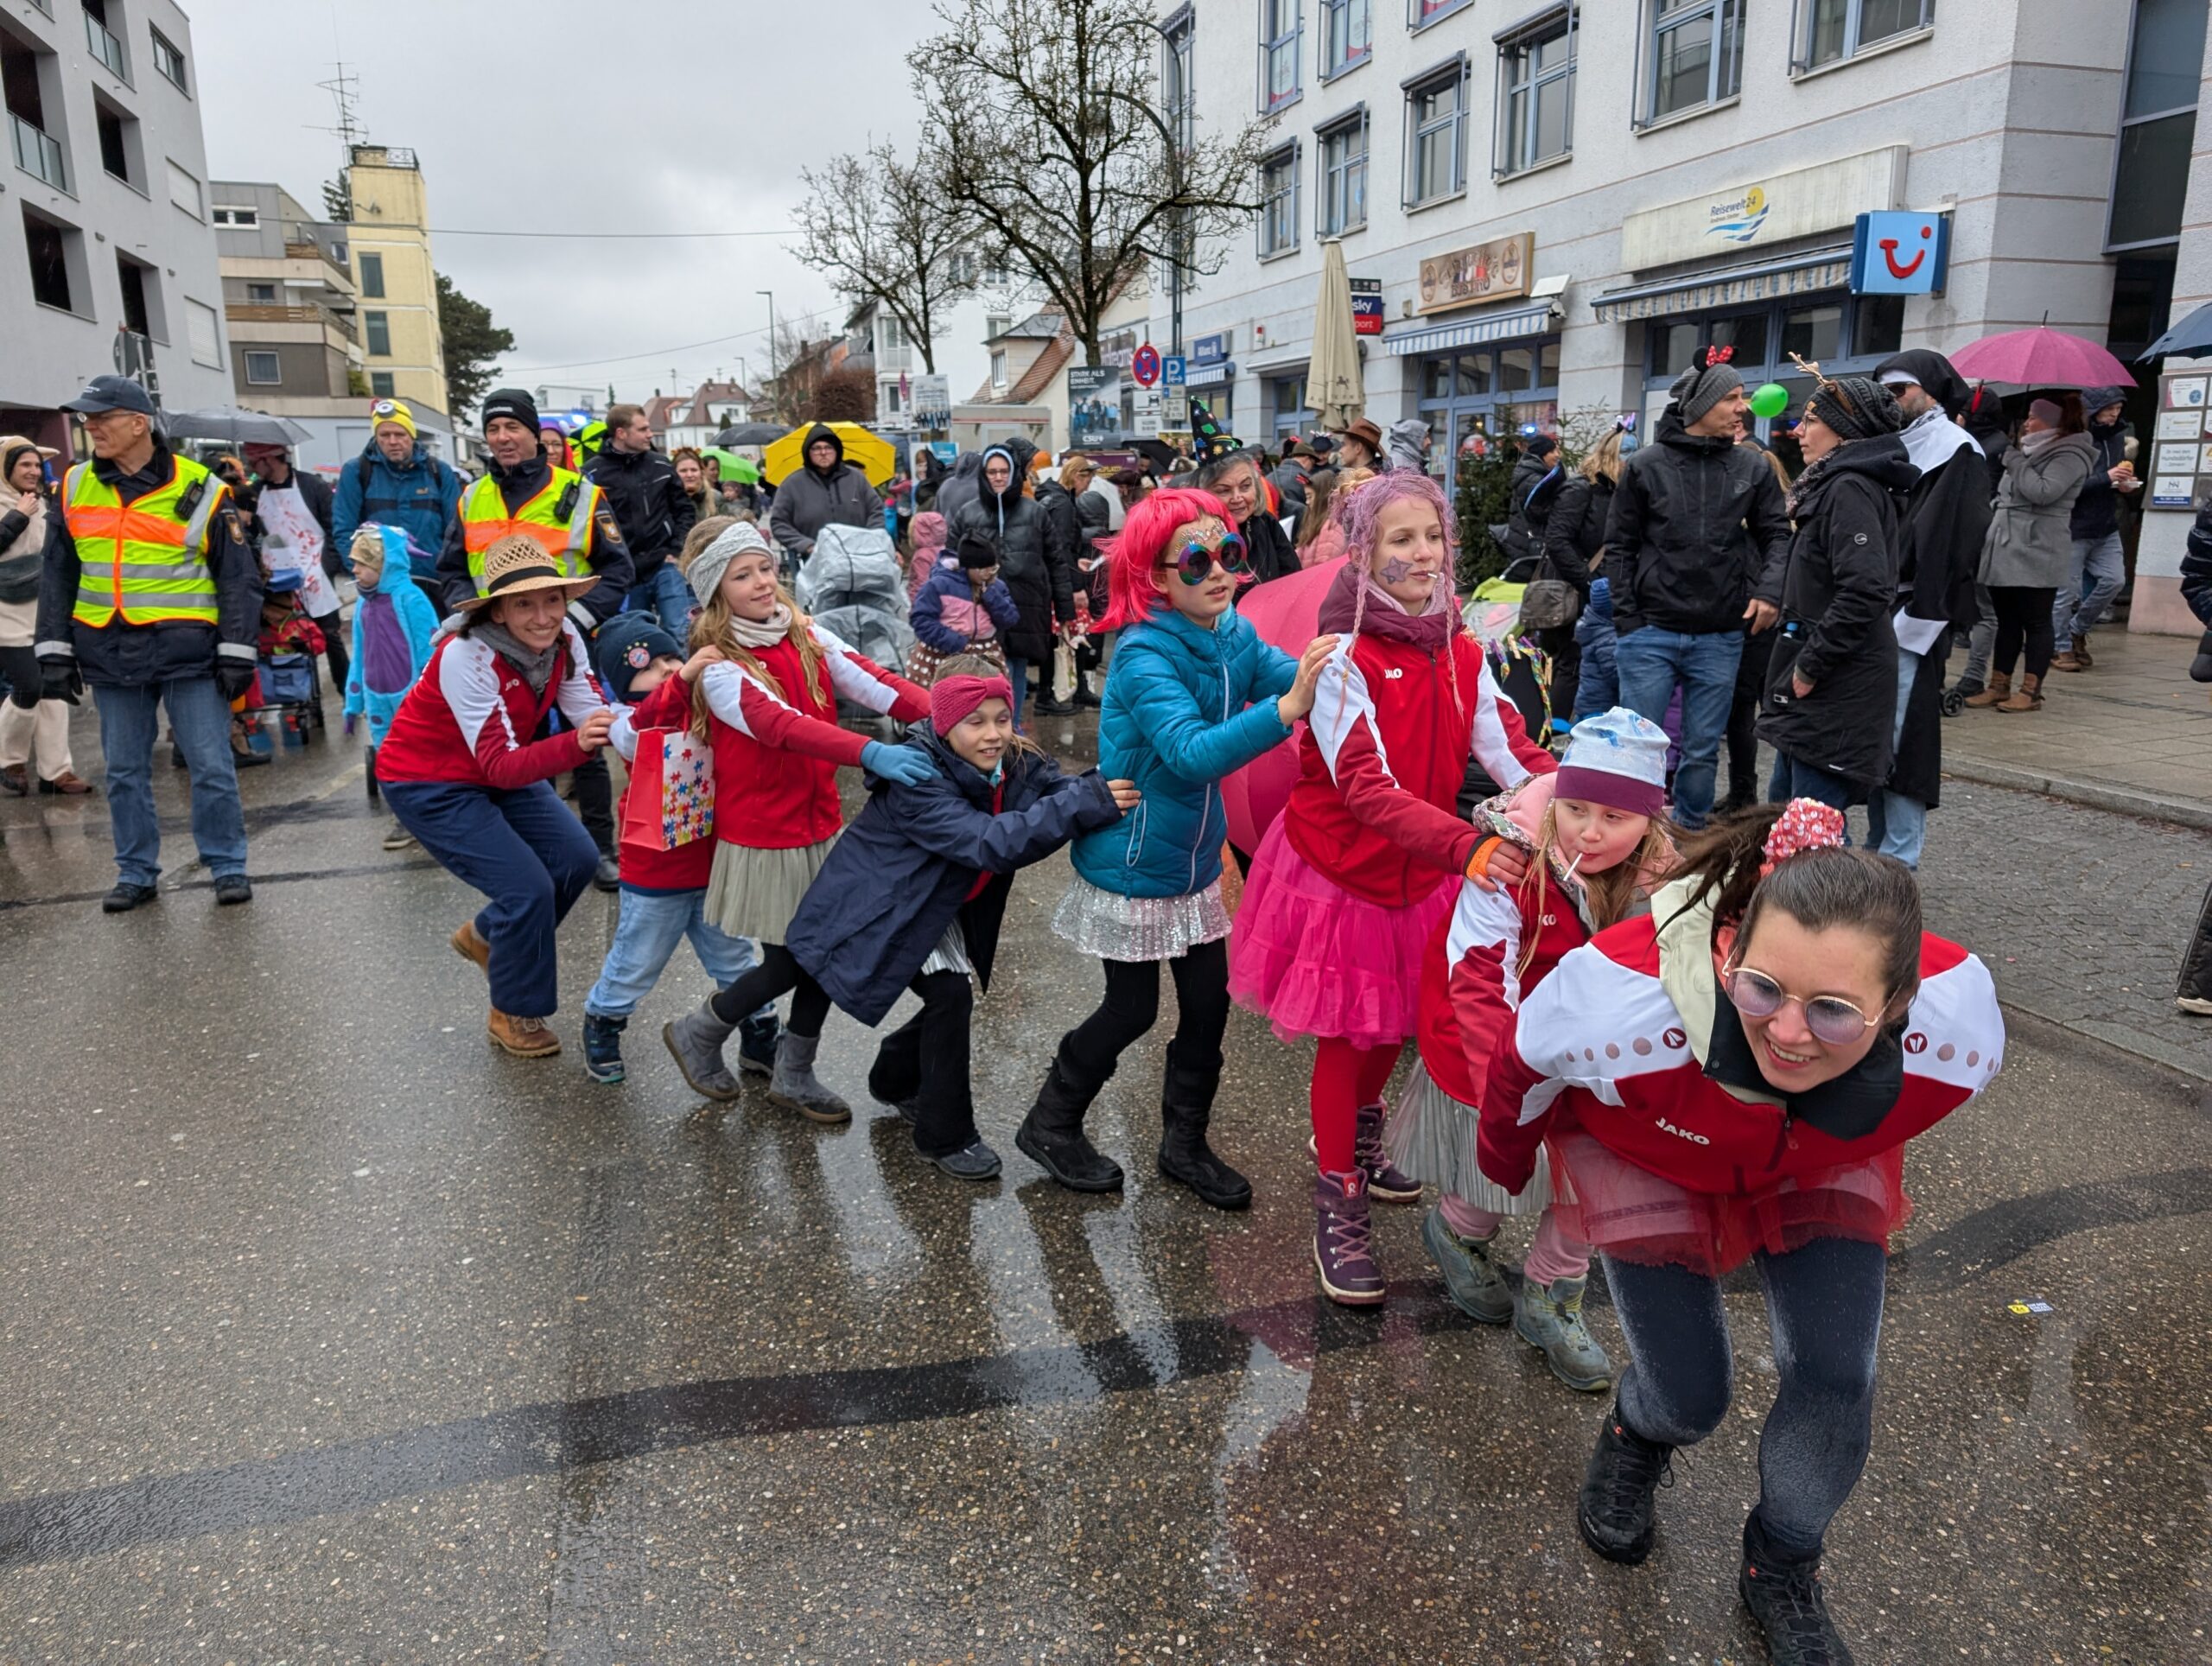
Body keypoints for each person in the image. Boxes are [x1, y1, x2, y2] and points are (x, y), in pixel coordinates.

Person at [1479, 800, 2005, 1666]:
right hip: (1653, 1154)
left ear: (1901, 1003)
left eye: (1834, 1010)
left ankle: (1783, 1560)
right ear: (1729, 947)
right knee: (1691, 1392)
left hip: (1816, 1158)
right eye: (1762, 989)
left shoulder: (1958, 1025)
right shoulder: (1617, 995)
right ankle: (1637, 1433)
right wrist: (1503, 1166)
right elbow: (1518, 1068)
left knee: (1838, 1372)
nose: (1788, 1034)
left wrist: (1815, 1136)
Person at [1226, 472, 1557, 1304]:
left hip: (1426, 873)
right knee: (1351, 1035)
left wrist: (1589, 809)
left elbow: (1513, 755)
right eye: (1397, 540)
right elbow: (1365, 789)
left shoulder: (1463, 647)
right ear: (1364, 554)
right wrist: (1466, 846)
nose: (1420, 554)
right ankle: (1336, 1190)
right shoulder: (1340, 659)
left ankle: (1364, 1138)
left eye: (1432, 537)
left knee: (1395, 1022)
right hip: (1345, 871)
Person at [1018, 488, 1337, 1202]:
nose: (1219, 570)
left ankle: (1183, 1144)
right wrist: (1287, 711)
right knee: (1130, 1011)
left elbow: (1291, 677)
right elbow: (1192, 753)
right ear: (1155, 577)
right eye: (1197, 560)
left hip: (1193, 860)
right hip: (1132, 860)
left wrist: (1342, 669)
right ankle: (1051, 1122)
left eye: (1228, 552)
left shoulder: (1231, 631)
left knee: (1209, 1007)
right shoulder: (1141, 654)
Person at [1389, 709, 1672, 1388]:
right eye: (1575, 808)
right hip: (1496, 1040)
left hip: (1597, 1050)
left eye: (1615, 817)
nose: (1592, 831)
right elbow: (1482, 976)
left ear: (1650, 824)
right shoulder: (1507, 868)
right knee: (1506, 1164)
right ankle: (1461, 1230)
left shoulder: (1659, 882)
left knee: (1590, 1178)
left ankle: (1552, 1297)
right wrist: (1510, 1082)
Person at [785, 660, 1134, 1179]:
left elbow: (1053, 786)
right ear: (945, 725)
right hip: (888, 905)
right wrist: (1084, 804)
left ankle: (896, 1075)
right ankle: (944, 1136)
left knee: (948, 997)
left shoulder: (1011, 757)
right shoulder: (918, 776)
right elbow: (986, 842)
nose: (993, 734)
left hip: (937, 897)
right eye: (976, 722)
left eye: (1002, 718)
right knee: (950, 996)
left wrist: (1090, 792)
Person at [657, 522, 931, 1119]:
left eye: (763, 568)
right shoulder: (720, 665)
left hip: (820, 821)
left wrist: (954, 717)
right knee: (802, 954)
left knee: (819, 949)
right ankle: (705, 1030)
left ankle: (788, 1067)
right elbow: (777, 724)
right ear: (715, 591)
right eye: (742, 575)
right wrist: (869, 752)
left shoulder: (804, 630)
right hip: (767, 833)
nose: (761, 583)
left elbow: (872, 679)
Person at [373, 536, 617, 1056]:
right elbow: (504, 766)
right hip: (428, 780)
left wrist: (650, 729)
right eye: (523, 603)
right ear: (498, 612)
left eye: (552, 599)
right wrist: (574, 745)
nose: (543, 615)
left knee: (576, 858)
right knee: (527, 889)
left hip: (497, 766)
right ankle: (513, 1010)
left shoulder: (566, 637)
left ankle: (487, 936)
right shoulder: (466, 655)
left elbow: (590, 708)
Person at [35, 376, 257, 912]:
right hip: (108, 650)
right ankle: (136, 871)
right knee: (124, 771)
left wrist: (237, 650)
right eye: (86, 420)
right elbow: (58, 573)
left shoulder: (202, 487)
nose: (90, 428)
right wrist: (54, 649)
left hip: (188, 651)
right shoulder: (73, 485)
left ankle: (227, 865)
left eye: (100, 418)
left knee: (209, 765)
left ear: (138, 423)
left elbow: (237, 577)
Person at [438, 387, 635, 892]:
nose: (503, 438)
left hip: (560, 638)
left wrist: (571, 620)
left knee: (583, 741)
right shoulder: (471, 496)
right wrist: (466, 618)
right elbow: (453, 571)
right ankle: (537, 846)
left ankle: (599, 851)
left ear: (533, 434)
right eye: (493, 429)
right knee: (518, 743)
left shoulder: (580, 494)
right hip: (492, 646)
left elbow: (618, 570)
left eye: (513, 428)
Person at [579, 615, 777, 1088]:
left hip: (712, 863)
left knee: (735, 959)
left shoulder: (703, 705)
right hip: (656, 873)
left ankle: (762, 1033)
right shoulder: (624, 719)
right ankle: (603, 1021)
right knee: (636, 961)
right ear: (626, 684)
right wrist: (685, 680)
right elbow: (644, 729)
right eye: (653, 666)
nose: (670, 669)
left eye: (674, 658)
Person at [1605, 345, 1792, 830]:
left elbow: (1777, 534)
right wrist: (1629, 619)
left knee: (1703, 748)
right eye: (1731, 397)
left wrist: (1770, 591)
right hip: (1650, 633)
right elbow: (1619, 546)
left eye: (1742, 397)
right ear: (1702, 404)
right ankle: (1633, 835)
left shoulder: (1751, 468)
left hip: (1721, 634)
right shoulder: (1646, 465)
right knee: (1637, 745)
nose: (1742, 407)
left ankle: (1688, 839)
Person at [1757, 367, 1916, 815]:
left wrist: (1810, 666)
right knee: (1785, 823)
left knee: (1812, 835)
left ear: (1845, 430)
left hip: (1839, 684)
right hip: (1821, 681)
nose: (1797, 431)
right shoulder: (1834, 484)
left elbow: (1866, 589)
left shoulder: (1848, 487)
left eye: (1811, 421)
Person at [1866, 350, 1993, 868]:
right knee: (1874, 740)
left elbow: (1953, 546)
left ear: (1931, 391)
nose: (1891, 402)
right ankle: (1878, 857)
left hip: (1914, 616)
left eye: (1899, 391)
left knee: (1902, 738)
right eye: (1884, 394)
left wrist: (1919, 620)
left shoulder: (1956, 450)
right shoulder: (1889, 446)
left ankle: (1897, 860)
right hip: (1876, 612)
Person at [1966, 396, 2095, 714]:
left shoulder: (2071, 453)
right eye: (2027, 416)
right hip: (2008, 542)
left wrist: (2014, 461)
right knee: (2008, 620)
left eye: (2034, 417)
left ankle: (2031, 691)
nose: (2026, 422)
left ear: (2054, 422)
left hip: (2040, 545)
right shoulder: (2029, 449)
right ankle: (1999, 685)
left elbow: (2043, 491)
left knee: (2036, 620)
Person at [948, 441, 1077, 720]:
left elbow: (1056, 561)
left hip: (1026, 605)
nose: (998, 477)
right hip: (979, 607)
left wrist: (1066, 610)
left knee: (1017, 667)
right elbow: (949, 561)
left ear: (1013, 473)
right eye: (992, 471)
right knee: (984, 669)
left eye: (1003, 471)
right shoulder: (968, 513)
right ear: (983, 475)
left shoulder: (1035, 513)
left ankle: (1013, 726)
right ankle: (985, 727)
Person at [340, 525, 438, 852]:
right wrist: (353, 701)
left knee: (421, 756)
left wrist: (431, 694)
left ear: (386, 564)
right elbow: (359, 654)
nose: (354, 570)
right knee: (390, 759)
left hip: (411, 696)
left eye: (362, 562)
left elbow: (430, 650)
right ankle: (406, 815)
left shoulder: (411, 598)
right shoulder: (363, 606)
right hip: (377, 697)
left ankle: (428, 815)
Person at [0, 435, 88, 795]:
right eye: (25, 465)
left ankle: (56, 772)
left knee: (54, 683)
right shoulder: (14, 504)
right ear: (6, 468)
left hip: (44, 605)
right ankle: (8, 758)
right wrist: (17, 517)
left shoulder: (47, 500)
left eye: (37, 465)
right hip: (5, 610)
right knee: (29, 684)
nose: (34, 471)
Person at [331, 397, 462, 610]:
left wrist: (452, 577)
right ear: (376, 437)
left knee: (436, 642)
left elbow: (457, 530)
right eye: (384, 435)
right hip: (381, 588)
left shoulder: (439, 472)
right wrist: (363, 573)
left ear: (411, 435)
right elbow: (344, 529)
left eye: (400, 434)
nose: (392, 441)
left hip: (434, 585)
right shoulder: (357, 472)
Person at [240, 442, 348, 703]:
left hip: (315, 576)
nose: (253, 469)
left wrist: (326, 566)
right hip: (276, 580)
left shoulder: (313, 486)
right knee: (284, 640)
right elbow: (246, 534)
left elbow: (335, 528)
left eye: (256, 462)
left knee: (330, 637)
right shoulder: (254, 493)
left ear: (271, 458)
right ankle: (298, 696)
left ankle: (348, 695)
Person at [1537, 427, 1624, 727]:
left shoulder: (1620, 493)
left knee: (1587, 670)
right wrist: (1589, 584)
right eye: (1628, 456)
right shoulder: (1580, 490)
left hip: (1600, 597)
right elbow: (1557, 540)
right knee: (1570, 666)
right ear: (1613, 457)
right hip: (1573, 594)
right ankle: (1552, 740)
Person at [2050, 386, 2139, 672]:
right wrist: (2106, 478)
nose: (2116, 414)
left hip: (2105, 524)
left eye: (2119, 408)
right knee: (2067, 592)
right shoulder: (2072, 440)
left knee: (2114, 581)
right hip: (2074, 526)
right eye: (2110, 408)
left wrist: (2123, 486)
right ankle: (2060, 647)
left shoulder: (2116, 437)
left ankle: (2078, 630)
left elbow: (2108, 480)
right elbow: (2067, 485)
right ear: (2093, 410)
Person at [587, 403, 696, 634]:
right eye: (643, 429)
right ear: (621, 433)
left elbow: (684, 510)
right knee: (634, 635)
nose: (650, 434)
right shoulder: (592, 473)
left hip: (665, 564)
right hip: (623, 572)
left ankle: (685, 672)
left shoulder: (661, 465)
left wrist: (677, 550)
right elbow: (587, 524)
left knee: (680, 630)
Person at [909, 531, 1017, 683]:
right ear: (967, 567)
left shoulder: (996, 586)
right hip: (943, 656)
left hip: (986, 653)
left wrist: (991, 596)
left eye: (992, 568)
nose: (988, 574)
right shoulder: (939, 586)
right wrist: (956, 642)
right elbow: (921, 621)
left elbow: (1010, 619)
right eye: (982, 569)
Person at [768, 423, 883, 560]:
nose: (823, 453)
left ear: (837, 450)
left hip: (858, 557)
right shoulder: (792, 484)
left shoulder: (857, 478)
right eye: (816, 449)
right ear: (807, 452)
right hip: (813, 561)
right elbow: (779, 523)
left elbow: (876, 512)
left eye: (828, 447)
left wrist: (868, 539)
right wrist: (806, 546)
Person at [1195, 451, 1300, 584]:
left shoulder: (1266, 522)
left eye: (1245, 487)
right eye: (1224, 490)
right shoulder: (1195, 535)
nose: (1237, 498)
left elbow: (1293, 576)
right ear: (1202, 493)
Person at [1508, 432, 1565, 553]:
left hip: (1526, 538)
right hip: (1529, 542)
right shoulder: (1534, 479)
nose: (1557, 455)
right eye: (1552, 452)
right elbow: (1539, 512)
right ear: (1541, 454)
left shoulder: (1534, 473)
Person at [906, 508, 949, 602]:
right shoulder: (944, 550)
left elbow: (921, 584)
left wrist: (914, 604)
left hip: (926, 603)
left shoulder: (922, 556)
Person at [671, 447, 718, 531]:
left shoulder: (716, 498)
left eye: (694, 470)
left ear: (701, 472)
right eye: (683, 471)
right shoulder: (666, 500)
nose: (689, 475)